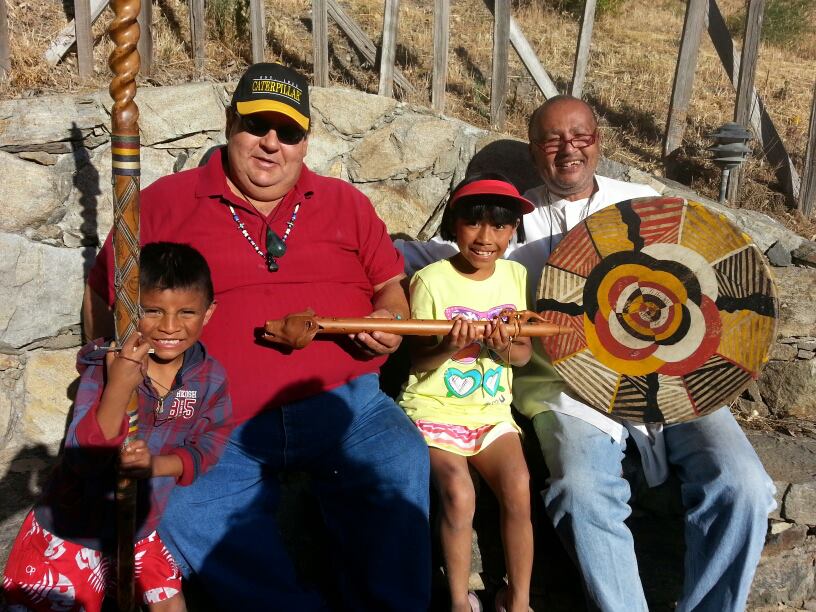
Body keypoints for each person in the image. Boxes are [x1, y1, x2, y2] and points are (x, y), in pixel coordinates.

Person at [399, 95, 776, 612]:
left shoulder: (641, 203)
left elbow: (704, 267)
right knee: (579, 490)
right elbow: (431, 256)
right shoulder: (513, 222)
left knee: (745, 485)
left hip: (673, 380)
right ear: (534, 150)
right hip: (570, 390)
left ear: (598, 141)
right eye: (552, 140)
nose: (568, 149)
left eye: (580, 136)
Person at [82, 63, 430, 611]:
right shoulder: (165, 203)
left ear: (304, 141)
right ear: (230, 123)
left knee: (401, 458)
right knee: (180, 502)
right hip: (215, 416)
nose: (271, 143)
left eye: (288, 132)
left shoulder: (345, 203)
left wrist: (389, 318)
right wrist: (114, 371)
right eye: (256, 126)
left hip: (350, 408)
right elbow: (105, 290)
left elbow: (390, 284)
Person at [3, 242, 232, 612]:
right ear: (125, 312)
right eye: (152, 311)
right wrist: (119, 388)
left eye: (187, 312)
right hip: (74, 530)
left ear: (208, 313)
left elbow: (209, 445)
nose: (169, 326)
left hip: (140, 528)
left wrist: (156, 465)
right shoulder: (107, 367)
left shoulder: (208, 378)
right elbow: (83, 456)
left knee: (170, 604)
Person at [399, 175, 535, 612]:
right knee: (459, 493)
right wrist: (449, 346)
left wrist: (502, 345)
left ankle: (518, 600)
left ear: (513, 230)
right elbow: (418, 361)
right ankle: (460, 600)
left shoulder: (516, 275)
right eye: (474, 223)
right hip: (434, 410)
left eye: (499, 225)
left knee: (519, 485)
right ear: (454, 224)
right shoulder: (431, 281)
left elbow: (523, 355)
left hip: (491, 410)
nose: (485, 237)